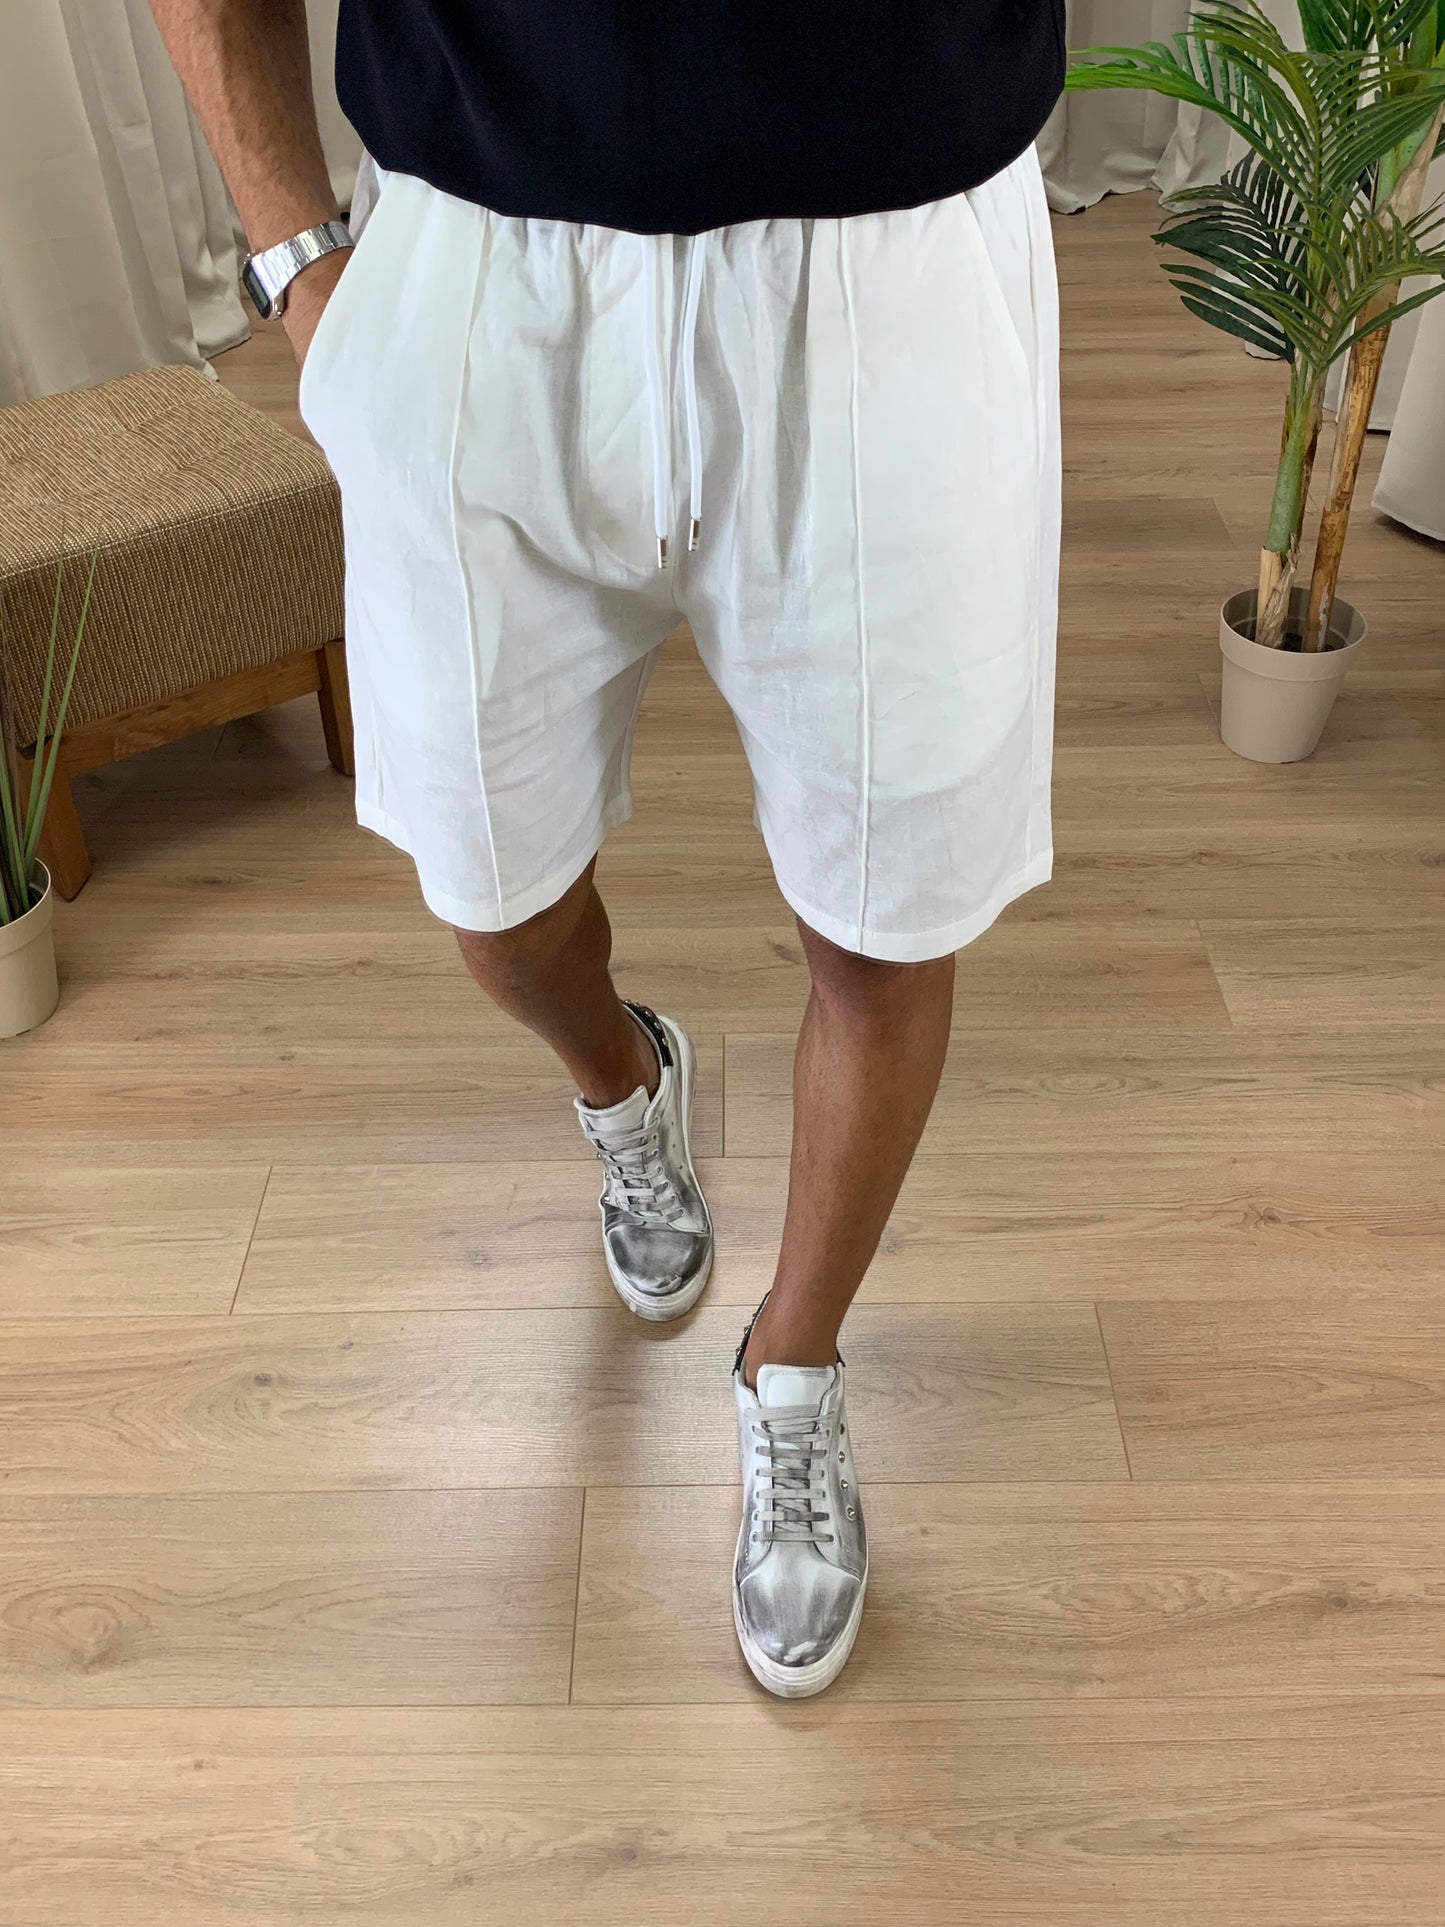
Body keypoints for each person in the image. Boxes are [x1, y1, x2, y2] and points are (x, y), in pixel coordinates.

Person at [150, 0, 1065, 1699]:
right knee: (491, 899)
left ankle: (793, 1364)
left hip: (891, 251)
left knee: (888, 921)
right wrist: (296, 259)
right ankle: (623, 1083)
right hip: (477, 254)